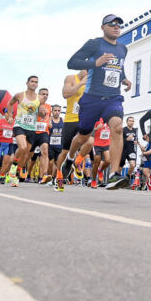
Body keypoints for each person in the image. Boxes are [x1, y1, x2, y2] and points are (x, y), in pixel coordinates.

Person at [62, 14, 132, 190]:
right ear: (103, 27)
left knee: (117, 126)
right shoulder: (94, 44)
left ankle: (115, 175)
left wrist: (124, 79)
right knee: (83, 136)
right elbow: (71, 62)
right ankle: (70, 158)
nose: (116, 27)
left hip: (112, 98)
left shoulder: (123, 49)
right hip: (92, 98)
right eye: (112, 24)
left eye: (119, 25)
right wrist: (96, 62)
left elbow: (118, 67)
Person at [6, 76, 45, 187]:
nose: (34, 83)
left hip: (32, 128)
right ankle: (13, 168)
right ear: (27, 83)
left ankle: (15, 175)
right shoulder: (20, 95)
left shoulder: (40, 98)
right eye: (32, 81)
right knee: (22, 147)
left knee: (25, 155)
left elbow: (41, 112)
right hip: (19, 125)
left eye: (36, 82)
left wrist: (43, 113)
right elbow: (10, 103)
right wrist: (9, 115)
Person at [57, 69, 88, 191]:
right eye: (87, 69)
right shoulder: (71, 78)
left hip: (84, 120)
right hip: (71, 119)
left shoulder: (92, 81)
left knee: (90, 141)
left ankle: (77, 161)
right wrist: (81, 84)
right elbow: (65, 94)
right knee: (65, 152)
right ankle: (59, 177)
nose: (89, 72)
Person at [33, 88, 53, 185]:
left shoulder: (49, 106)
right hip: (33, 131)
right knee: (27, 155)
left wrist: (49, 123)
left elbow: (48, 118)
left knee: (45, 151)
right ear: (38, 95)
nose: (45, 96)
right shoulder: (33, 105)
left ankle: (44, 175)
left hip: (44, 132)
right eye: (43, 94)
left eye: (46, 94)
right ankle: (21, 169)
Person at [0, 110, 15, 184]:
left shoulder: (14, 123)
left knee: (6, 161)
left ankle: (2, 176)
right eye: (8, 113)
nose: (9, 115)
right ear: (5, 114)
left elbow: (15, 133)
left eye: (11, 114)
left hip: (9, 144)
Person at [90, 118, 111, 188]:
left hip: (106, 144)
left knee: (108, 161)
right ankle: (93, 181)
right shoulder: (97, 118)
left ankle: (100, 170)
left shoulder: (111, 119)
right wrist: (96, 128)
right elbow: (92, 129)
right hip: (97, 144)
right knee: (97, 162)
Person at [47, 105, 64, 182]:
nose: (57, 112)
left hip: (59, 145)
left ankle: (55, 178)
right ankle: (49, 178)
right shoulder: (49, 120)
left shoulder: (62, 120)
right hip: (50, 145)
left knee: (58, 163)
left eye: (58, 111)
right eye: (55, 110)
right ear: (52, 111)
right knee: (51, 162)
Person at [121, 116, 138, 182]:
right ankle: (116, 180)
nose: (131, 122)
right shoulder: (123, 130)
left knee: (133, 165)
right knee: (120, 166)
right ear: (127, 122)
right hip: (123, 150)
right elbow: (119, 141)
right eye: (130, 121)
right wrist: (127, 139)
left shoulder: (134, 130)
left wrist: (136, 142)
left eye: (132, 121)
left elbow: (135, 139)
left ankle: (127, 176)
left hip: (131, 150)